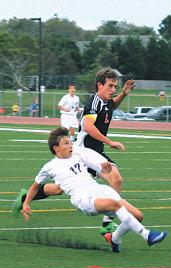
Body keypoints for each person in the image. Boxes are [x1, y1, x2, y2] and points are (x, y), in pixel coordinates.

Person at [13, 67, 135, 235]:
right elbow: (88, 126)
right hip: (84, 150)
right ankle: (107, 223)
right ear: (99, 85)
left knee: (58, 188)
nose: (113, 90)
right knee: (116, 178)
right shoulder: (93, 102)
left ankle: (24, 198)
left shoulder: (106, 101)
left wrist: (124, 93)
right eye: (110, 86)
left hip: (94, 150)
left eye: (115, 86)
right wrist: (110, 142)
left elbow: (111, 106)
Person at [21, 127, 167, 252]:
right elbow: (35, 186)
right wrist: (26, 203)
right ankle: (147, 235)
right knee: (115, 205)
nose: (71, 145)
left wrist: (105, 168)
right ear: (56, 148)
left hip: (98, 189)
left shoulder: (77, 154)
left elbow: (98, 165)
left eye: (70, 141)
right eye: (66, 143)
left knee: (137, 216)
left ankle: (114, 239)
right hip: (83, 198)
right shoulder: (49, 166)